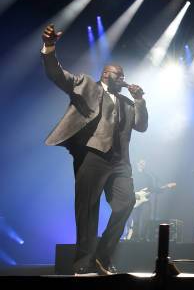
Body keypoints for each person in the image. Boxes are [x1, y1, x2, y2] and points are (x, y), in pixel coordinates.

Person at [41, 24, 148, 275]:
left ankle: (103, 255)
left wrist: (140, 100)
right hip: (93, 155)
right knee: (87, 210)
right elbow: (58, 75)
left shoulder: (126, 102)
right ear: (106, 74)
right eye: (118, 75)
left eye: (123, 75)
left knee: (126, 203)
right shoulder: (87, 85)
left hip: (119, 161)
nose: (123, 78)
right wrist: (49, 48)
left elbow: (141, 126)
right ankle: (83, 264)